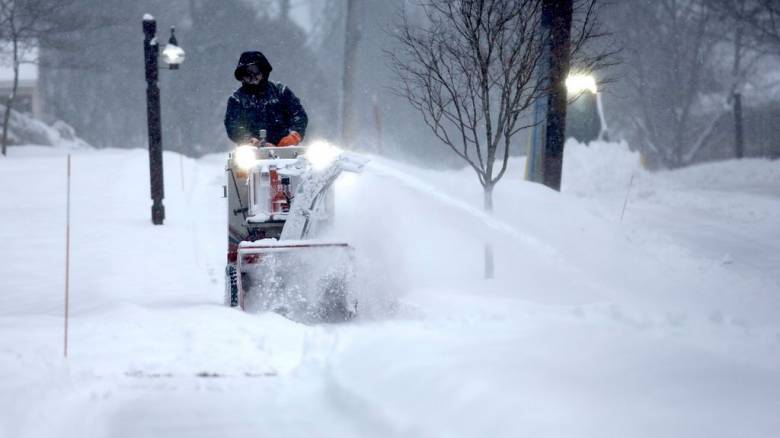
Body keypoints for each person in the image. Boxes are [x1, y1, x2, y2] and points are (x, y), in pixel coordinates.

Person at [224, 51, 308, 147]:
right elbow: (232, 125)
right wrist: (247, 139)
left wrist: (293, 136)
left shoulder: (281, 92)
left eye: (255, 72)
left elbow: (299, 116)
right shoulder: (236, 99)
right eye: (247, 74)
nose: (252, 77)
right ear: (242, 76)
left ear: (263, 71)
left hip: (285, 150)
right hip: (251, 153)